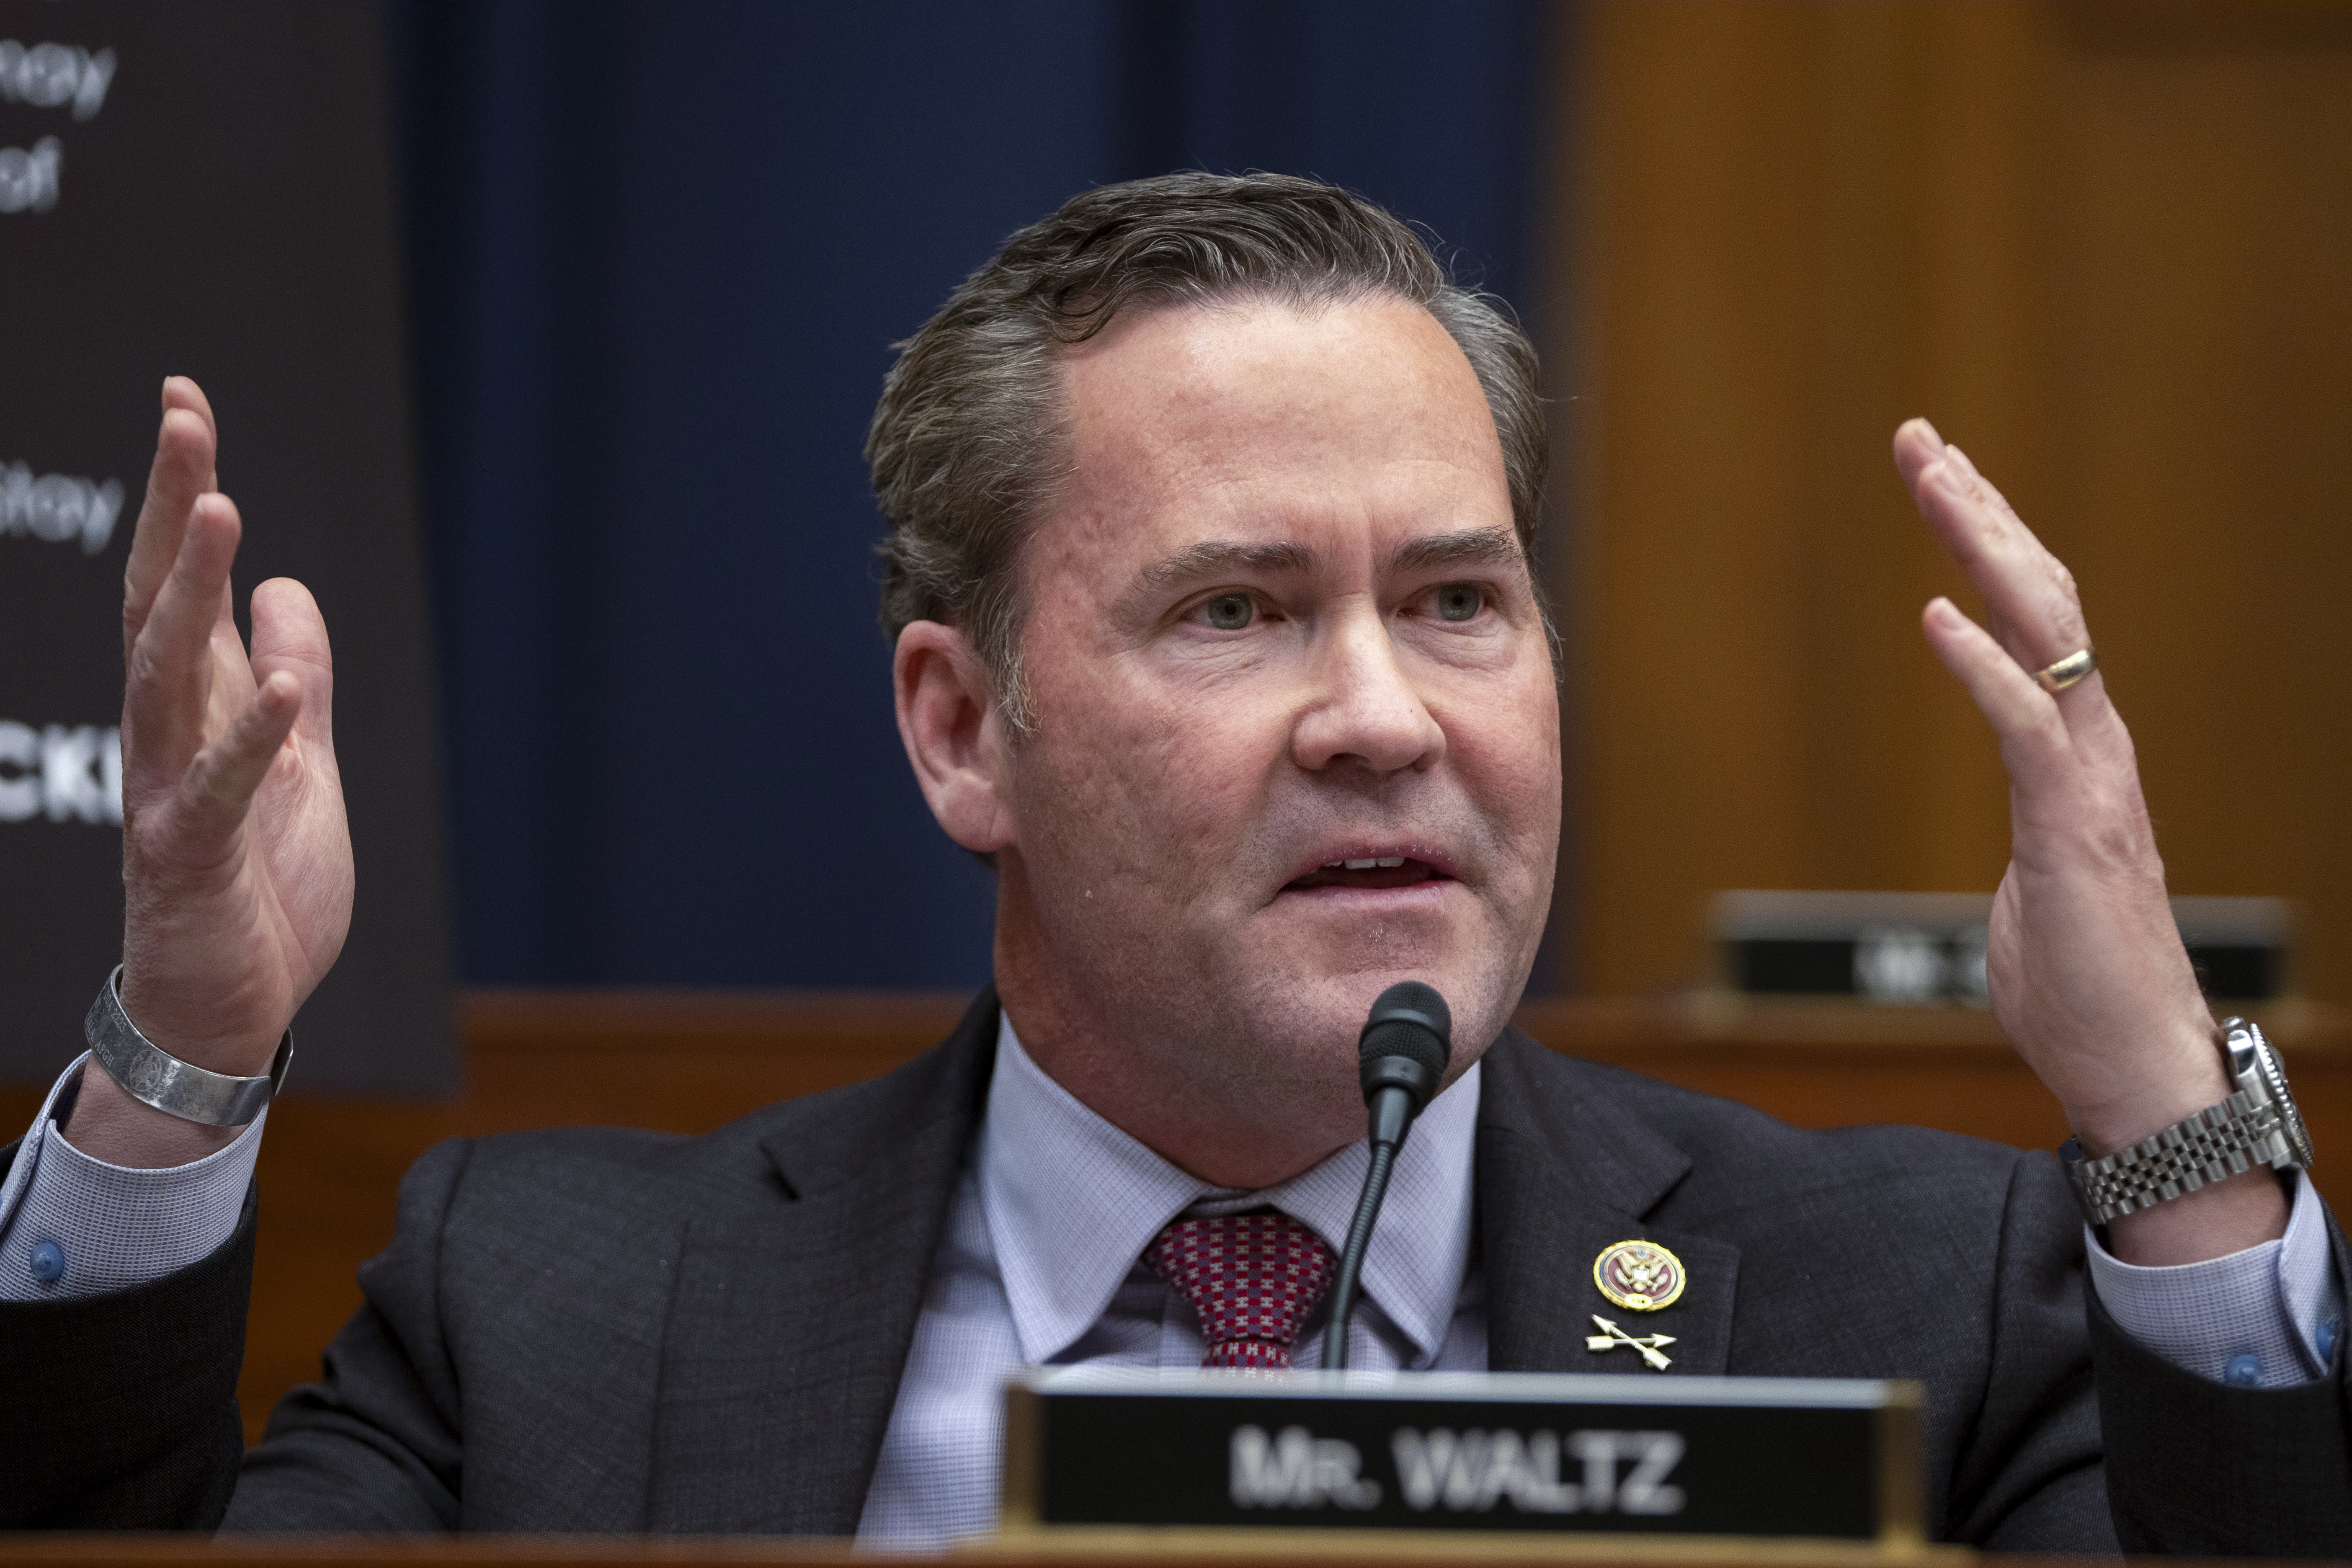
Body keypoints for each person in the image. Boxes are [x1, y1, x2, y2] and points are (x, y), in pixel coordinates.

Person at [4, 174, 2346, 1552]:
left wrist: (2168, 1124)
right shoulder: (549, 1319)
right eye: (1235, 610)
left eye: (1458, 598)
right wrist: (191, 1053)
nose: (1383, 712)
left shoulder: (1927, 1309)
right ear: (962, 730)